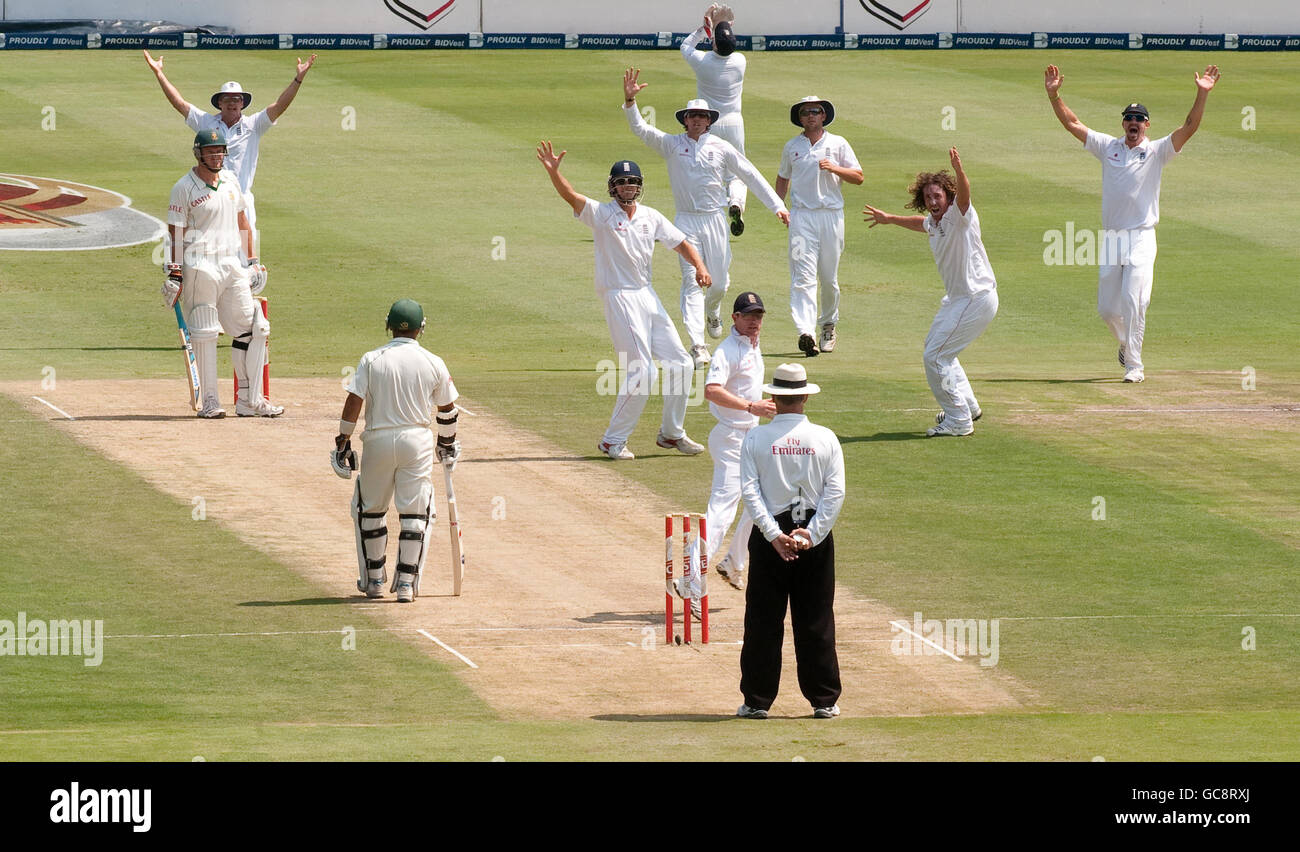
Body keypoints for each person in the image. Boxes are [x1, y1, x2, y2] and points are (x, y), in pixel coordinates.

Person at [1044, 63, 1221, 383]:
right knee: (1107, 310)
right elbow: (1072, 123)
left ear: (1147, 125)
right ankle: (1125, 344)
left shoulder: (1157, 151)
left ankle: (1135, 366)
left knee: (1133, 299)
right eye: (1129, 118)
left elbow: (1190, 126)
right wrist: (1055, 95)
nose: (1133, 123)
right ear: (1123, 123)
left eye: (1139, 119)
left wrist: (1201, 93)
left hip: (1141, 236)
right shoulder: (1107, 147)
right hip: (1112, 238)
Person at [536, 141, 709, 461]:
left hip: (647, 293)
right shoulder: (601, 214)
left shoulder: (651, 216)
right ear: (612, 187)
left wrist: (699, 266)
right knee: (642, 370)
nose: (627, 186)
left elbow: (680, 242)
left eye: (632, 182)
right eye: (621, 182)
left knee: (682, 363)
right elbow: (571, 197)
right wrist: (554, 173)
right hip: (618, 295)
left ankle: (671, 433)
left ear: (640, 186)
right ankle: (612, 441)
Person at [622, 68, 789, 369]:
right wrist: (631, 102)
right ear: (685, 119)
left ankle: (714, 310)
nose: (697, 120)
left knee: (720, 283)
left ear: (710, 121)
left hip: (715, 220)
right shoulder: (672, 144)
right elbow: (642, 131)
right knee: (691, 281)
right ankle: (698, 346)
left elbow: (749, 175)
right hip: (685, 222)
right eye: (692, 116)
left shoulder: (721, 147)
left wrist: (777, 205)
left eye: (702, 116)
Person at [331, 299, 460, 604]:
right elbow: (447, 409)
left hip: (377, 439)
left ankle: (374, 580)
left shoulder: (372, 359)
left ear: (388, 325)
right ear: (422, 328)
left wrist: (343, 440)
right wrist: (447, 444)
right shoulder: (433, 361)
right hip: (416, 440)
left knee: (370, 510)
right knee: (415, 512)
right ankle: (405, 583)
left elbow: (354, 401)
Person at [863, 148, 998, 437]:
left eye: (938, 196)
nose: (933, 202)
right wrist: (889, 218)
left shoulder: (960, 216)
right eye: (928, 198)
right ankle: (968, 406)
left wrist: (959, 170)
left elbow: (965, 195)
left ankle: (959, 419)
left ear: (947, 197)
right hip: (958, 300)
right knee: (938, 349)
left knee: (935, 356)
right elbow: (921, 224)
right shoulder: (933, 223)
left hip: (976, 297)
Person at [737, 362, 845, 719]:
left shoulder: (755, 438)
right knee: (816, 618)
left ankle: (756, 701)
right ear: (803, 398)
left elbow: (750, 492)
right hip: (812, 535)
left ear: (775, 397)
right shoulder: (826, 437)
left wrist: (773, 535)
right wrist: (812, 535)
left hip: (773, 538)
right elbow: (835, 493)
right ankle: (824, 700)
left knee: (763, 620)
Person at [144, 49, 317, 255]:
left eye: (237, 99)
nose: (233, 102)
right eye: (228, 99)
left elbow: (280, 105)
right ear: (220, 102)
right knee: (208, 255)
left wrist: (298, 78)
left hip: (242, 201)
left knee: (247, 260)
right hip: (211, 200)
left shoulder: (254, 125)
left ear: (242, 103)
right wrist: (159, 73)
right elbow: (179, 103)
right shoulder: (207, 123)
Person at [163, 127, 281, 419]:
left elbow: (243, 221)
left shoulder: (229, 180)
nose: (216, 156)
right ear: (198, 153)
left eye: (220, 151)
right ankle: (211, 401)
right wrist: (174, 271)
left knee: (254, 327)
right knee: (205, 331)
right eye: (210, 151)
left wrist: (252, 260)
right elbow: (175, 231)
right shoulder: (184, 187)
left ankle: (250, 401)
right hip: (200, 264)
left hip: (231, 264)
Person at [775, 96, 863, 358]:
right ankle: (806, 332)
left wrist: (834, 168)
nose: (811, 115)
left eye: (816, 111)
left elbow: (858, 177)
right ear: (800, 118)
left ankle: (827, 325)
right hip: (802, 218)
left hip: (831, 216)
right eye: (806, 112)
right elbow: (782, 177)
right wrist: (779, 206)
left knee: (828, 278)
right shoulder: (792, 146)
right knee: (802, 278)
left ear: (823, 116)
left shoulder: (838, 143)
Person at [680, 4, 749, 235]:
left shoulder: (703, 62)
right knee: (736, 172)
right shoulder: (740, 61)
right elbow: (725, 42)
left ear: (713, 43)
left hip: (710, 123)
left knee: (711, 168)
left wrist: (704, 27)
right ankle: (736, 203)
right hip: (734, 124)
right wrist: (724, 25)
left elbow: (685, 46)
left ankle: (713, 212)